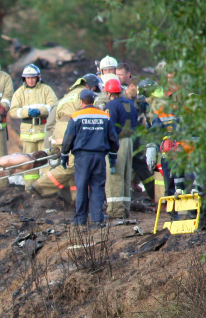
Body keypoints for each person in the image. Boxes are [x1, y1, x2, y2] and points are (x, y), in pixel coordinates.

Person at [31, 74, 101, 203]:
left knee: (76, 166)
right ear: (91, 86)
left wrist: (55, 143)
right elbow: (89, 112)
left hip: (61, 131)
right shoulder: (84, 95)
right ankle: (40, 187)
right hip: (71, 131)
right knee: (72, 166)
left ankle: (77, 200)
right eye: (94, 90)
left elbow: (55, 119)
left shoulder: (68, 96)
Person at [61, 89, 119, 226]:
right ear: (93, 100)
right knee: (97, 187)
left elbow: (69, 137)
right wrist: (113, 155)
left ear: (81, 102)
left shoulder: (76, 116)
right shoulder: (104, 116)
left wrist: (64, 154)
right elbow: (113, 138)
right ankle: (97, 219)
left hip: (82, 157)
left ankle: (80, 220)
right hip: (99, 156)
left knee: (81, 187)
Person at [9, 64, 57, 187]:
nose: (30, 80)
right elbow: (13, 111)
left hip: (43, 132)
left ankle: (47, 188)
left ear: (38, 77)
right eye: (28, 78)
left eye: (33, 77)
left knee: (46, 161)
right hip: (28, 133)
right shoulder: (20, 92)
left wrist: (41, 111)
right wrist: (26, 112)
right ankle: (29, 189)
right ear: (24, 79)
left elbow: (54, 105)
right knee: (29, 164)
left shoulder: (46, 89)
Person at [104, 78, 138, 220]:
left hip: (117, 143)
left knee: (115, 175)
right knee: (125, 175)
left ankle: (116, 210)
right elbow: (135, 123)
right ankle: (125, 208)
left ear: (108, 92)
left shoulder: (111, 105)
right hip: (129, 141)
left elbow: (109, 125)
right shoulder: (129, 103)